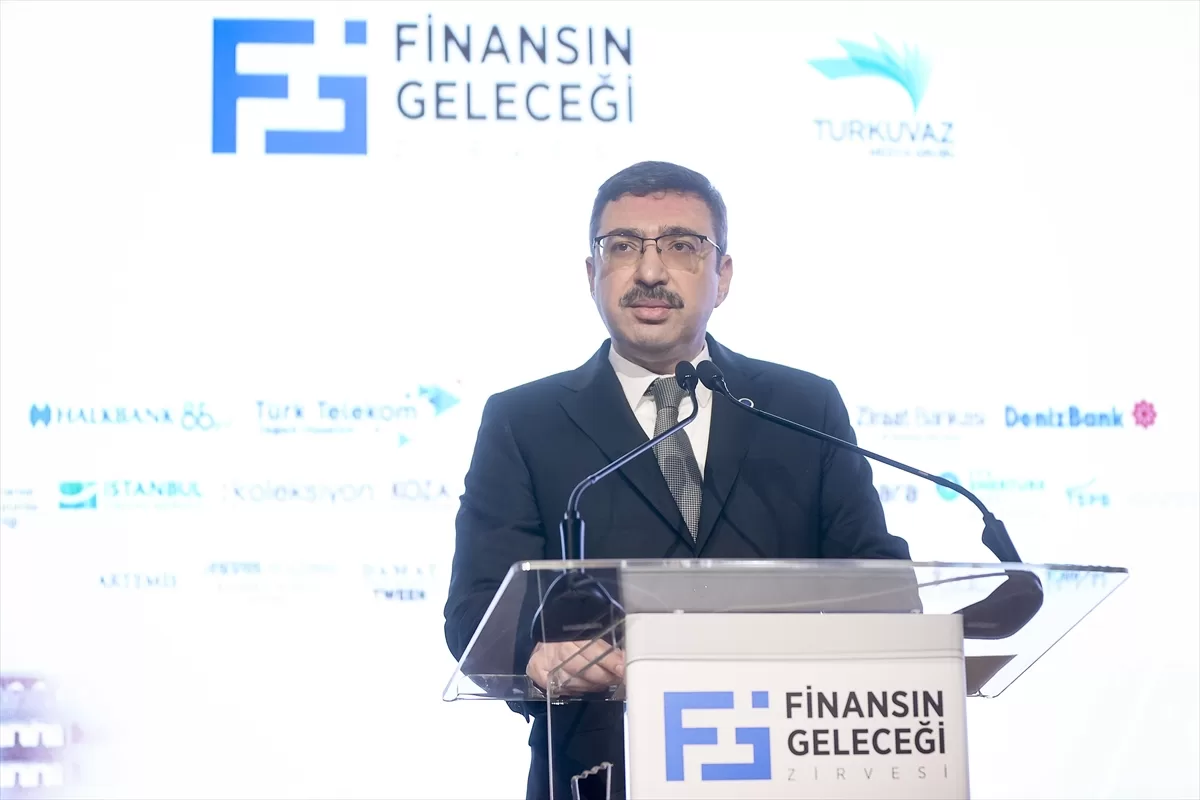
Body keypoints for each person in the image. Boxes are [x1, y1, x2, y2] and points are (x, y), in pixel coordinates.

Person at [443, 161, 911, 799]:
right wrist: (537, 655)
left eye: (683, 246)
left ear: (723, 275)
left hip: (794, 763)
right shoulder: (523, 421)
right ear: (591, 274)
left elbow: (876, 582)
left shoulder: (804, 407)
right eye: (623, 246)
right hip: (600, 773)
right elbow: (475, 608)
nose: (650, 272)